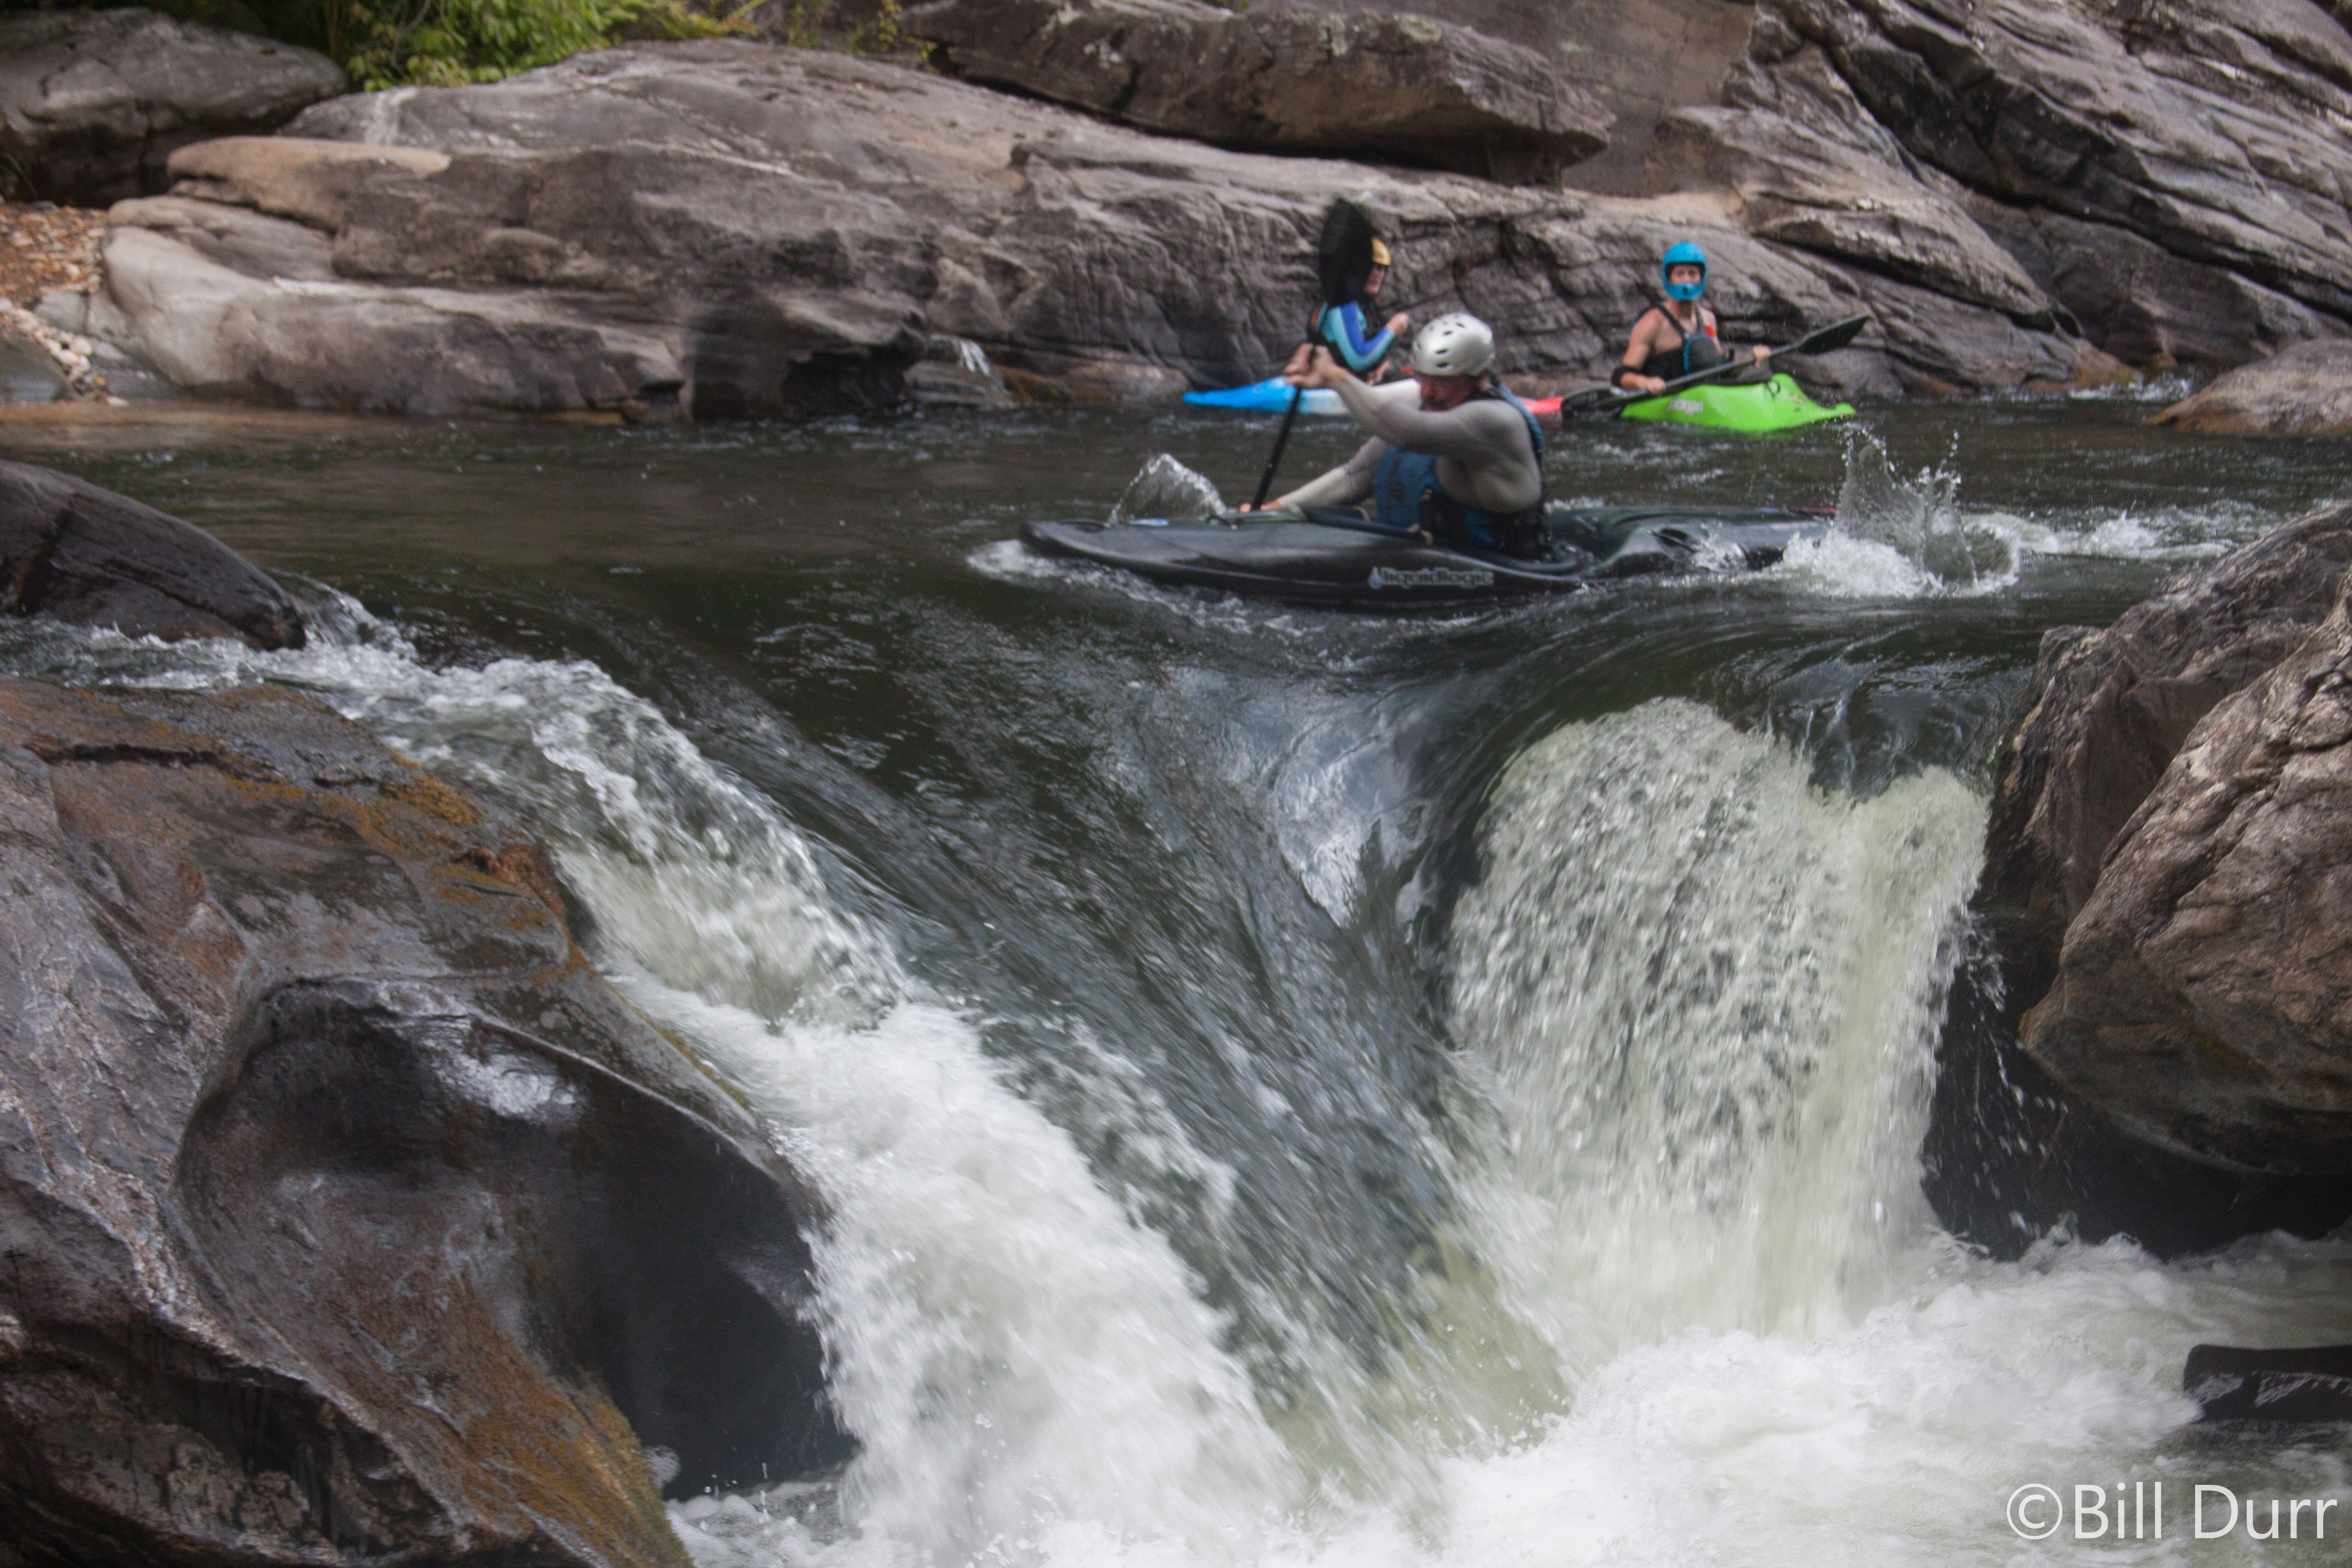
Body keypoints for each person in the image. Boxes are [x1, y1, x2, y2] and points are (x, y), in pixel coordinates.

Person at [1249, 313, 1547, 558]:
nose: (1427, 391)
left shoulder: (1496, 421)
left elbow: (1411, 433)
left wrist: (1335, 377)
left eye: (1442, 382)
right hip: (1422, 558)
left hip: (1501, 573)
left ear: (1478, 378)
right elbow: (1355, 478)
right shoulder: (1430, 406)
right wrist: (1272, 511)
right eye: (1422, 378)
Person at [1614, 242, 1768, 396]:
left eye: (1693, 274)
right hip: (1666, 402)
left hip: (1704, 401)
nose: (1687, 280)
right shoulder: (1653, 322)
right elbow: (1621, 377)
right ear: (1669, 278)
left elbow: (1721, 371)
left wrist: (1751, 358)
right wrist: (1645, 383)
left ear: (1702, 278)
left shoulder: (1708, 319)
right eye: (1680, 274)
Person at [1284, 237, 1411, 382]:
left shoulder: (1363, 306)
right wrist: (1393, 328)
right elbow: (1360, 358)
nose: (1376, 274)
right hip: (1328, 388)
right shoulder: (1342, 304)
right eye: (1369, 267)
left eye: (1380, 269)